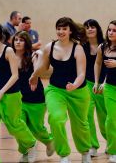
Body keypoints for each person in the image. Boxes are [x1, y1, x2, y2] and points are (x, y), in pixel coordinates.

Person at [29, 17, 91, 163]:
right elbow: (43, 67)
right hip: (55, 90)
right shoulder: (49, 47)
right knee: (56, 119)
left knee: (80, 124)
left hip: (78, 92)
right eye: (58, 28)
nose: (61, 31)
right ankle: (63, 155)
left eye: (64, 29)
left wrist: (75, 85)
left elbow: (82, 73)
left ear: (70, 31)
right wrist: (34, 76)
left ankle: (85, 152)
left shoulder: (78, 48)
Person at [0, 23, 37, 163]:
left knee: (14, 126)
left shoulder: (8, 51)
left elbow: (15, 76)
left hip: (11, 95)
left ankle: (30, 143)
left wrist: (1, 93)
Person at [12, 31, 54, 161]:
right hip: (17, 97)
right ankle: (26, 151)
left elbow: (38, 69)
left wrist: (39, 55)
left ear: (27, 43)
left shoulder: (33, 56)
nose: (18, 42)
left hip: (35, 97)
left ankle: (49, 142)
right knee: (19, 126)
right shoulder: (10, 56)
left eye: (21, 40)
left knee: (37, 127)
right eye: (16, 39)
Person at [82, 19, 107, 157]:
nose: (90, 29)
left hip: (105, 84)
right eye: (87, 27)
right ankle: (93, 145)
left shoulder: (106, 45)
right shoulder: (82, 46)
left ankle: (111, 143)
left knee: (105, 117)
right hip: (87, 85)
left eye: (92, 27)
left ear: (97, 29)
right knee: (88, 114)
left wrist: (104, 82)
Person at [94, 20, 116, 163]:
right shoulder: (102, 47)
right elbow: (97, 63)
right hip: (110, 88)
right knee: (111, 119)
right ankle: (113, 150)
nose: (111, 32)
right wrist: (97, 82)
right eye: (109, 30)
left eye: (114, 30)